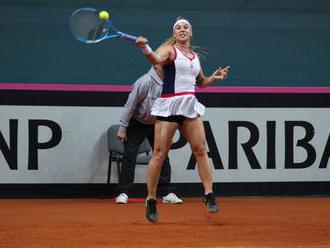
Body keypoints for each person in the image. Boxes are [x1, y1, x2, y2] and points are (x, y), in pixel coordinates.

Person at [135, 17, 230, 222]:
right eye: (178, 27)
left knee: (201, 150)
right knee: (159, 154)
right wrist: (145, 48)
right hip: (169, 107)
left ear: (191, 32)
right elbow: (155, 59)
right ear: (174, 33)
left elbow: (200, 82)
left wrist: (214, 78)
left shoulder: (194, 57)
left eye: (186, 27)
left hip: (189, 107)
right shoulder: (170, 50)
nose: (182, 29)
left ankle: (209, 195)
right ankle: (151, 200)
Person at [115, 65, 183, 205]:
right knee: (129, 155)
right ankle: (124, 192)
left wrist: (171, 130)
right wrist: (123, 128)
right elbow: (130, 105)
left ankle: (166, 193)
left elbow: (171, 107)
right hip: (137, 122)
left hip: (158, 122)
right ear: (157, 66)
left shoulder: (171, 83)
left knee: (162, 155)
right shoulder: (144, 82)